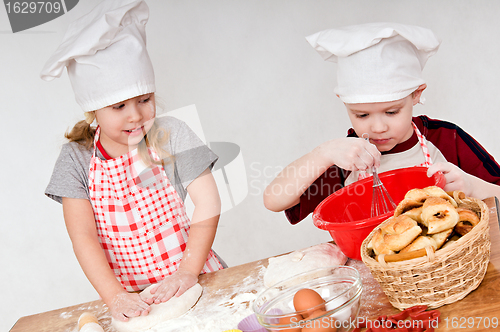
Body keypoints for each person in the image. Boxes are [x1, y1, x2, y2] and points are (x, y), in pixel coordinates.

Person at [41, 0, 224, 322]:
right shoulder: (76, 158)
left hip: (196, 277)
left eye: (144, 100)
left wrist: (186, 273)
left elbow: (208, 203)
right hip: (132, 299)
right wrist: (115, 297)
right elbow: (82, 236)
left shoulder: (172, 132)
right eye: (118, 107)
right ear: (93, 110)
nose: (136, 115)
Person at [263, 22, 500, 224]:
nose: (377, 127)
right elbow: (274, 200)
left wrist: (471, 186)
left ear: (416, 95)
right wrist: (322, 154)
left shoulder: (446, 138)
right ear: (344, 103)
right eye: (362, 115)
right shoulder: (347, 157)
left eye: (391, 112)